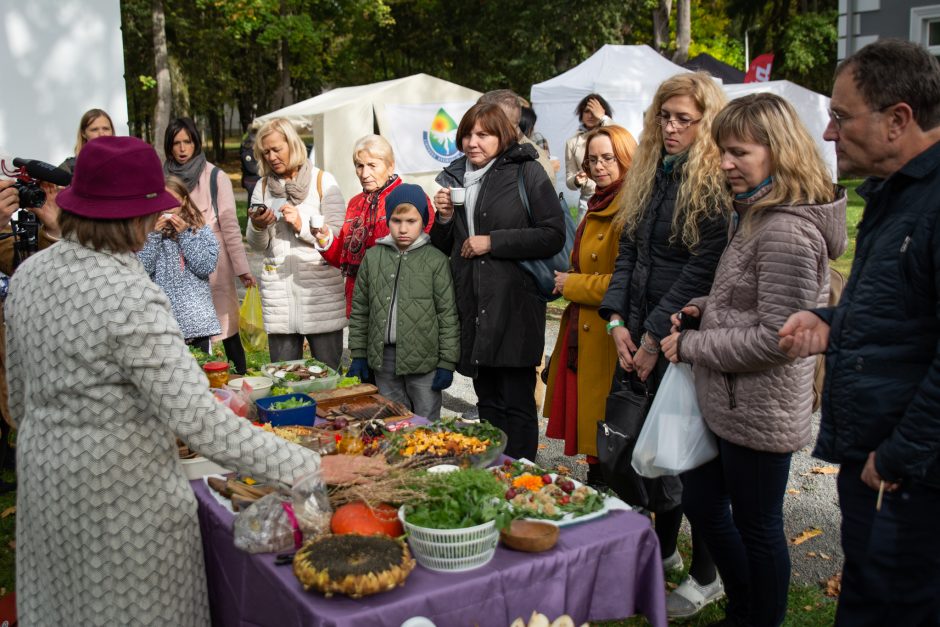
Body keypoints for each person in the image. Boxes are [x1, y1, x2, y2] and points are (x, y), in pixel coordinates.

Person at [5, 135, 383, 626]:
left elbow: (17, 400)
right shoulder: (129, 294)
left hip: (45, 485)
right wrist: (312, 466)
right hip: (122, 501)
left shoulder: (30, 275)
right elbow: (200, 421)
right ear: (134, 217)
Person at [662, 92, 847, 626]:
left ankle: (756, 616)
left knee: (758, 527)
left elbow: (779, 338)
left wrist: (692, 345)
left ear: (778, 151)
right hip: (731, 404)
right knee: (704, 503)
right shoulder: (756, 214)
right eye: (722, 151)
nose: (724, 163)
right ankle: (742, 607)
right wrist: (702, 307)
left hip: (761, 410)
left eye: (738, 152)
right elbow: (746, 299)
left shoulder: (786, 229)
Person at [778, 39, 940, 625]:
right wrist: (830, 323)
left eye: (841, 118)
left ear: (898, 119)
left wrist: (896, 457)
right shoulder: (898, 196)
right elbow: (904, 310)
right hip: (880, 464)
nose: (828, 134)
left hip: (909, 480)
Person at [597, 72, 728, 619]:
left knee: (682, 461)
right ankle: (667, 552)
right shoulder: (651, 172)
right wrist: (618, 321)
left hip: (681, 339)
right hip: (639, 332)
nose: (670, 127)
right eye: (664, 116)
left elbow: (701, 267)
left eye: (683, 119)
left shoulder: (715, 181)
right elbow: (628, 253)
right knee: (627, 450)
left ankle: (708, 575)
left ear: (707, 123)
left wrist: (652, 334)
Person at [431, 102, 565, 460]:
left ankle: (523, 481)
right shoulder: (456, 177)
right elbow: (445, 246)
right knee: (486, 398)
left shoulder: (527, 172)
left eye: (483, 134)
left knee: (517, 402)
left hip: (515, 302)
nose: (473, 142)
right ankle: (495, 473)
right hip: (473, 302)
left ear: (502, 136)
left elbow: (552, 234)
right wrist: (444, 219)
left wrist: (493, 242)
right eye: (468, 134)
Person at [544, 125, 637, 481]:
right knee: (597, 433)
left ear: (626, 158)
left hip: (611, 333)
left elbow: (626, 280)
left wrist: (574, 284)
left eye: (608, 158)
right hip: (587, 331)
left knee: (613, 431)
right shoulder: (601, 199)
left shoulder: (629, 207)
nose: (599, 167)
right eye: (593, 159)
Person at [347, 183, 459, 420]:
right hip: (384, 359)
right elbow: (360, 310)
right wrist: (358, 353)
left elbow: (447, 314)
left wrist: (447, 362)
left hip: (424, 359)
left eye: (411, 221)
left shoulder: (436, 260)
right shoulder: (373, 257)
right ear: (388, 220)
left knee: (426, 420)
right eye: (397, 221)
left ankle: (430, 456)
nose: (403, 228)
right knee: (391, 418)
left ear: (424, 221)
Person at [247, 117, 347, 367]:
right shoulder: (262, 187)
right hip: (279, 298)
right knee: (285, 379)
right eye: (266, 152)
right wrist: (258, 225)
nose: (271, 157)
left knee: (329, 380)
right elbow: (258, 246)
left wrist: (302, 224)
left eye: (276, 149)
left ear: (292, 145)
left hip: (320, 298)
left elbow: (338, 238)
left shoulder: (323, 181)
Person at [164, 117, 255, 373]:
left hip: (213, 261)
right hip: (174, 267)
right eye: (176, 143)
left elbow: (229, 226)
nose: (182, 149)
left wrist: (242, 268)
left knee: (227, 328)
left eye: (187, 142)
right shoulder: (161, 176)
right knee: (186, 332)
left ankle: (240, 380)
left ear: (196, 143)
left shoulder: (215, 176)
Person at [314, 134, 434, 316]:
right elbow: (344, 258)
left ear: (390, 165)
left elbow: (425, 251)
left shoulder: (410, 197)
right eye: (359, 166)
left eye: (372, 165)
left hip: (400, 301)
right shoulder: (355, 203)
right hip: (360, 303)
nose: (364, 174)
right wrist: (325, 240)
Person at [138, 176, 221, 354]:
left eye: (173, 201)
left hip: (196, 322)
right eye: (163, 201)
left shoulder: (200, 231)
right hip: (161, 323)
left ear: (184, 201)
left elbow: (205, 266)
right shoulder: (144, 233)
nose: (168, 207)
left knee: (199, 375)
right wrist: (153, 236)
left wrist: (185, 235)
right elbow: (141, 270)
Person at [477, 90, 556, 183]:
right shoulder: (483, 150)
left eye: (483, 118)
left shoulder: (535, 162)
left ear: (504, 123)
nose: (474, 121)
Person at [566, 94, 614, 220]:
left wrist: (603, 117)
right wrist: (576, 180)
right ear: (581, 114)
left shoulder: (611, 134)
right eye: (587, 111)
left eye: (595, 111)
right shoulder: (573, 142)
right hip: (587, 201)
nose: (591, 115)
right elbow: (569, 180)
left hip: (614, 196)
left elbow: (619, 135)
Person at [59, 108, 114, 173]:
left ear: (112, 131)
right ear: (83, 133)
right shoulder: (70, 166)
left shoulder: (123, 162)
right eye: (94, 129)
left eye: (106, 129)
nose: (101, 134)